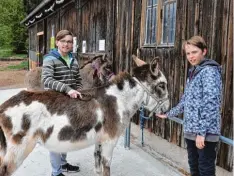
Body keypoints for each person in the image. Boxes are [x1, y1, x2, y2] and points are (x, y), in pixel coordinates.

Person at [156, 36, 222, 176]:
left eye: (194, 52)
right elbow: (185, 102)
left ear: (204, 51)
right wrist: (169, 114)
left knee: (205, 170)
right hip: (191, 131)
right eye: (188, 53)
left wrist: (201, 133)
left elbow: (211, 103)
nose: (191, 56)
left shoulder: (209, 72)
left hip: (204, 135)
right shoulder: (193, 73)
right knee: (194, 169)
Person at [42, 30, 82, 176]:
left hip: (70, 104)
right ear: (57, 42)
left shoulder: (74, 59)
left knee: (68, 135)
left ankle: (63, 164)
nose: (66, 44)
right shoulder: (49, 58)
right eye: (63, 41)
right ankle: (55, 172)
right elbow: (46, 80)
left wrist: (78, 90)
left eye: (69, 41)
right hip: (54, 104)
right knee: (56, 138)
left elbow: (78, 80)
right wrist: (67, 89)